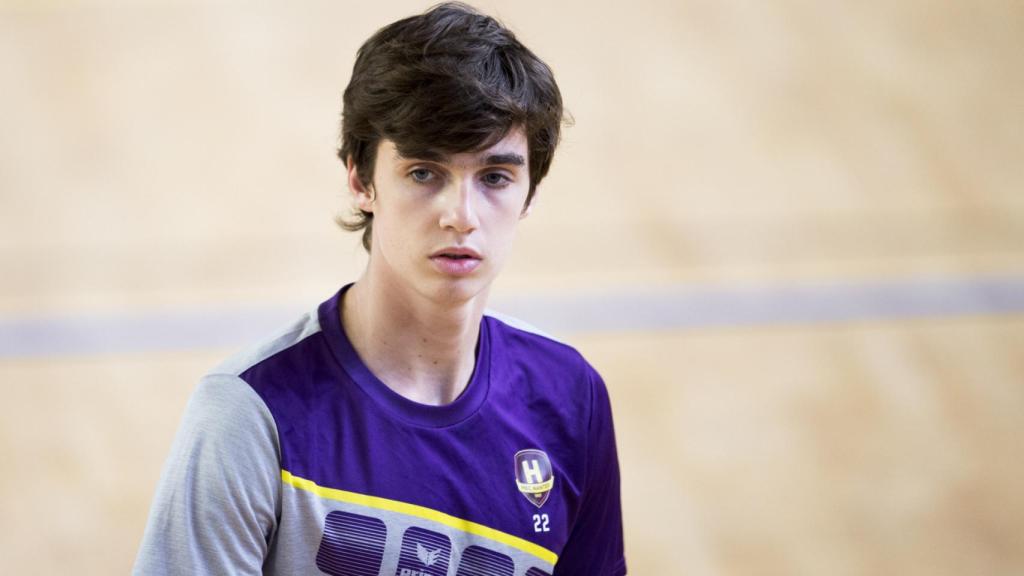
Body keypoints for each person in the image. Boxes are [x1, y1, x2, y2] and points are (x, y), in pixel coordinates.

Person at [133, 3, 625, 575]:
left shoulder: (570, 399)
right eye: (424, 173)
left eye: (494, 177)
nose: (461, 215)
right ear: (361, 179)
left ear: (530, 192)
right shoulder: (248, 414)